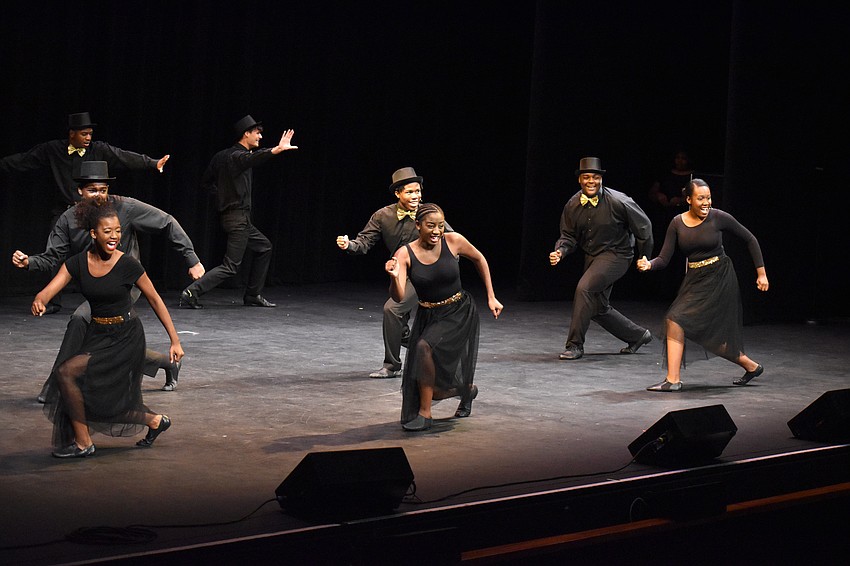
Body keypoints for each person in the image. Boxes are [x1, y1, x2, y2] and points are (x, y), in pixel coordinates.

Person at [12, 161, 204, 396]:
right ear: (80, 191)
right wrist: (29, 262)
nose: (99, 196)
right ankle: (167, 363)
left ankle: (56, 385)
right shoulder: (68, 219)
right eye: (93, 190)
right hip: (95, 285)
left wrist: (191, 258)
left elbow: (166, 221)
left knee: (80, 319)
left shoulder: (125, 208)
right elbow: (53, 257)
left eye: (103, 190)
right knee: (109, 343)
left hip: (125, 285)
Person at [33, 198, 182, 458]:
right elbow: (49, 290)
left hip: (126, 337)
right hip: (98, 335)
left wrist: (174, 340)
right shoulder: (77, 263)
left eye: (117, 231)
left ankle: (83, 443)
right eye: (107, 231)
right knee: (93, 398)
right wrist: (39, 300)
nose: (114, 237)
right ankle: (155, 421)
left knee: (67, 374)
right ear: (93, 233)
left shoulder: (127, 265)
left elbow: (156, 299)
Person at [1, 111, 171, 314]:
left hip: (97, 213)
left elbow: (122, 156)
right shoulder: (53, 150)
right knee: (56, 253)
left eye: (90, 133)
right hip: (67, 211)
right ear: (72, 134)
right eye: (84, 134)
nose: (88, 138)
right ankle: (52, 300)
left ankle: (114, 291)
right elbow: (24, 159)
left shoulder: (98, 149)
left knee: (107, 245)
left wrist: (152, 162)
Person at [637, 178, 769, 391]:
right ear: (688, 199)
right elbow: (664, 258)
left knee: (675, 319)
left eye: (708, 198)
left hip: (720, 276)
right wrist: (649, 265)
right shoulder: (677, 223)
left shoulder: (718, 217)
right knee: (697, 330)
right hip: (695, 279)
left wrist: (761, 274)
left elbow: (750, 239)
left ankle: (673, 380)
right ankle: (751, 365)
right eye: (701, 198)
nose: (706, 202)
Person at [386, 203, 502, 432]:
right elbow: (398, 296)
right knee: (432, 384)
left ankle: (425, 413)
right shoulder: (404, 254)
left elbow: (480, 259)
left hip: (459, 311)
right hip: (428, 314)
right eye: (431, 226)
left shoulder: (453, 241)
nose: (437, 231)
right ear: (418, 225)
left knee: (422, 347)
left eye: (440, 225)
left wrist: (491, 296)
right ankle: (466, 390)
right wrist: (393, 276)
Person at [336, 166, 453, 378]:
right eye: (409, 192)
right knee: (397, 323)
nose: (415, 196)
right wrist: (348, 245)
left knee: (392, 310)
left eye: (417, 191)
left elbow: (452, 240)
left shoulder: (428, 213)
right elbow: (364, 242)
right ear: (398, 193)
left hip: (427, 274)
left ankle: (391, 365)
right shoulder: (383, 215)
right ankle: (429, 349)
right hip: (402, 274)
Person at [179, 115, 297, 309]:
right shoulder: (237, 156)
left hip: (236, 218)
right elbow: (251, 159)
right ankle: (192, 291)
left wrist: (222, 196)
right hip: (237, 218)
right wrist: (276, 150)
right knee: (231, 266)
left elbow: (207, 183)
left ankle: (252, 294)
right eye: (257, 133)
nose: (260, 137)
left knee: (264, 247)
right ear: (246, 134)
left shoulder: (220, 156)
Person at [549, 157, 654, 360]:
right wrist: (560, 251)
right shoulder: (572, 205)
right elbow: (568, 236)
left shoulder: (618, 201)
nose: (591, 181)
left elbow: (644, 228)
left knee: (584, 289)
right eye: (586, 177)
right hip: (594, 257)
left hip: (618, 254)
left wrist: (645, 257)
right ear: (580, 180)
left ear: (601, 179)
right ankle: (638, 335)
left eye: (595, 177)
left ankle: (574, 345)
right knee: (596, 307)